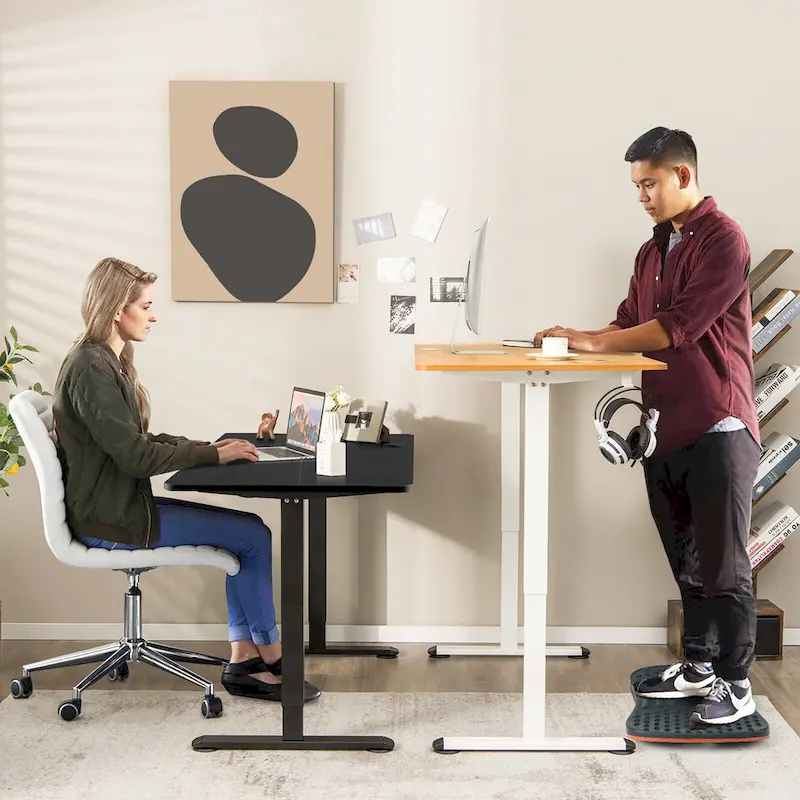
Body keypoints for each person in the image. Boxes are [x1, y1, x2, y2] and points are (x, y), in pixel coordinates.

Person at [533, 127, 760, 725]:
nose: (642, 196)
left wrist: (591, 341)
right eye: (636, 186)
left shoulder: (723, 239)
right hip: (667, 427)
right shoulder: (653, 249)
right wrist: (573, 342)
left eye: (649, 184)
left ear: (683, 175)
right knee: (686, 560)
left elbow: (675, 327)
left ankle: (736, 684)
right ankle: (699, 667)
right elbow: (629, 321)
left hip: (719, 425)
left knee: (724, 566)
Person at [52, 257, 321, 703]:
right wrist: (210, 453)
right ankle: (270, 656)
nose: (154, 315)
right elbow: (136, 456)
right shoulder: (91, 368)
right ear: (118, 308)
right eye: (146, 305)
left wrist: (207, 449)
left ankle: (245, 658)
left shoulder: (103, 362)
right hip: (111, 522)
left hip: (117, 508)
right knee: (252, 537)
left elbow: (133, 441)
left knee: (250, 533)